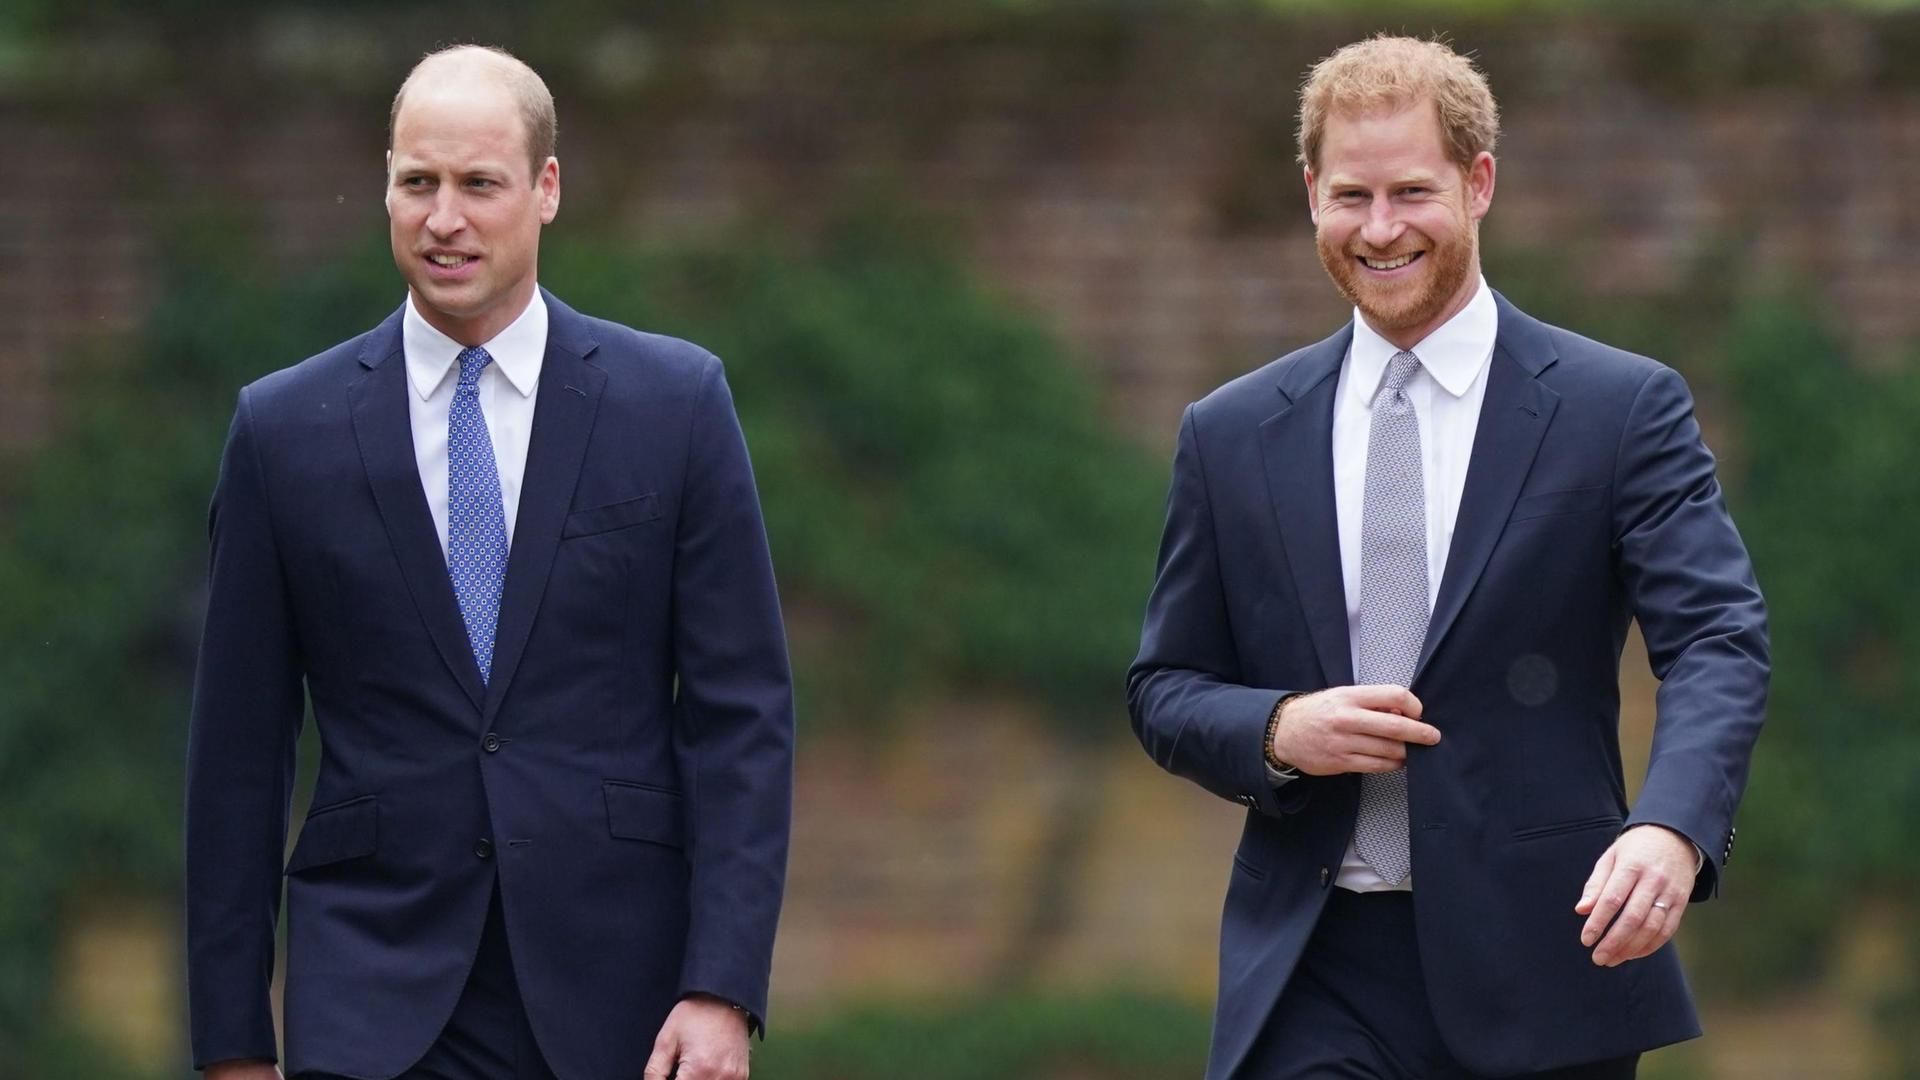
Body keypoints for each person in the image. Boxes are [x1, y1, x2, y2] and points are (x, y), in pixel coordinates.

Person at [1126, 35, 1767, 1080]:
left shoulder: (1617, 410)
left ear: (1479, 184)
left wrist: (1674, 830)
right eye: (1351, 196)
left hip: (1547, 957)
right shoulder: (1229, 433)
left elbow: (1718, 642)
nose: (1380, 230)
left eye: (1411, 192)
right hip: (1313, 967)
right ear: (1310, 195)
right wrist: (1280, 727)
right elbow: (1165, 688)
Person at [185, 45, 793, 1080]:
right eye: (417, 182)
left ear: (546, 189)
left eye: (479, 184)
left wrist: (721, 985)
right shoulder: (284, 430)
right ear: (384, 182)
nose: (444, 218)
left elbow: (741, 717)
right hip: (371, 992)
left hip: (624, 998)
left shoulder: (676, 405)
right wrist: (233, 1044)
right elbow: (237, 756)